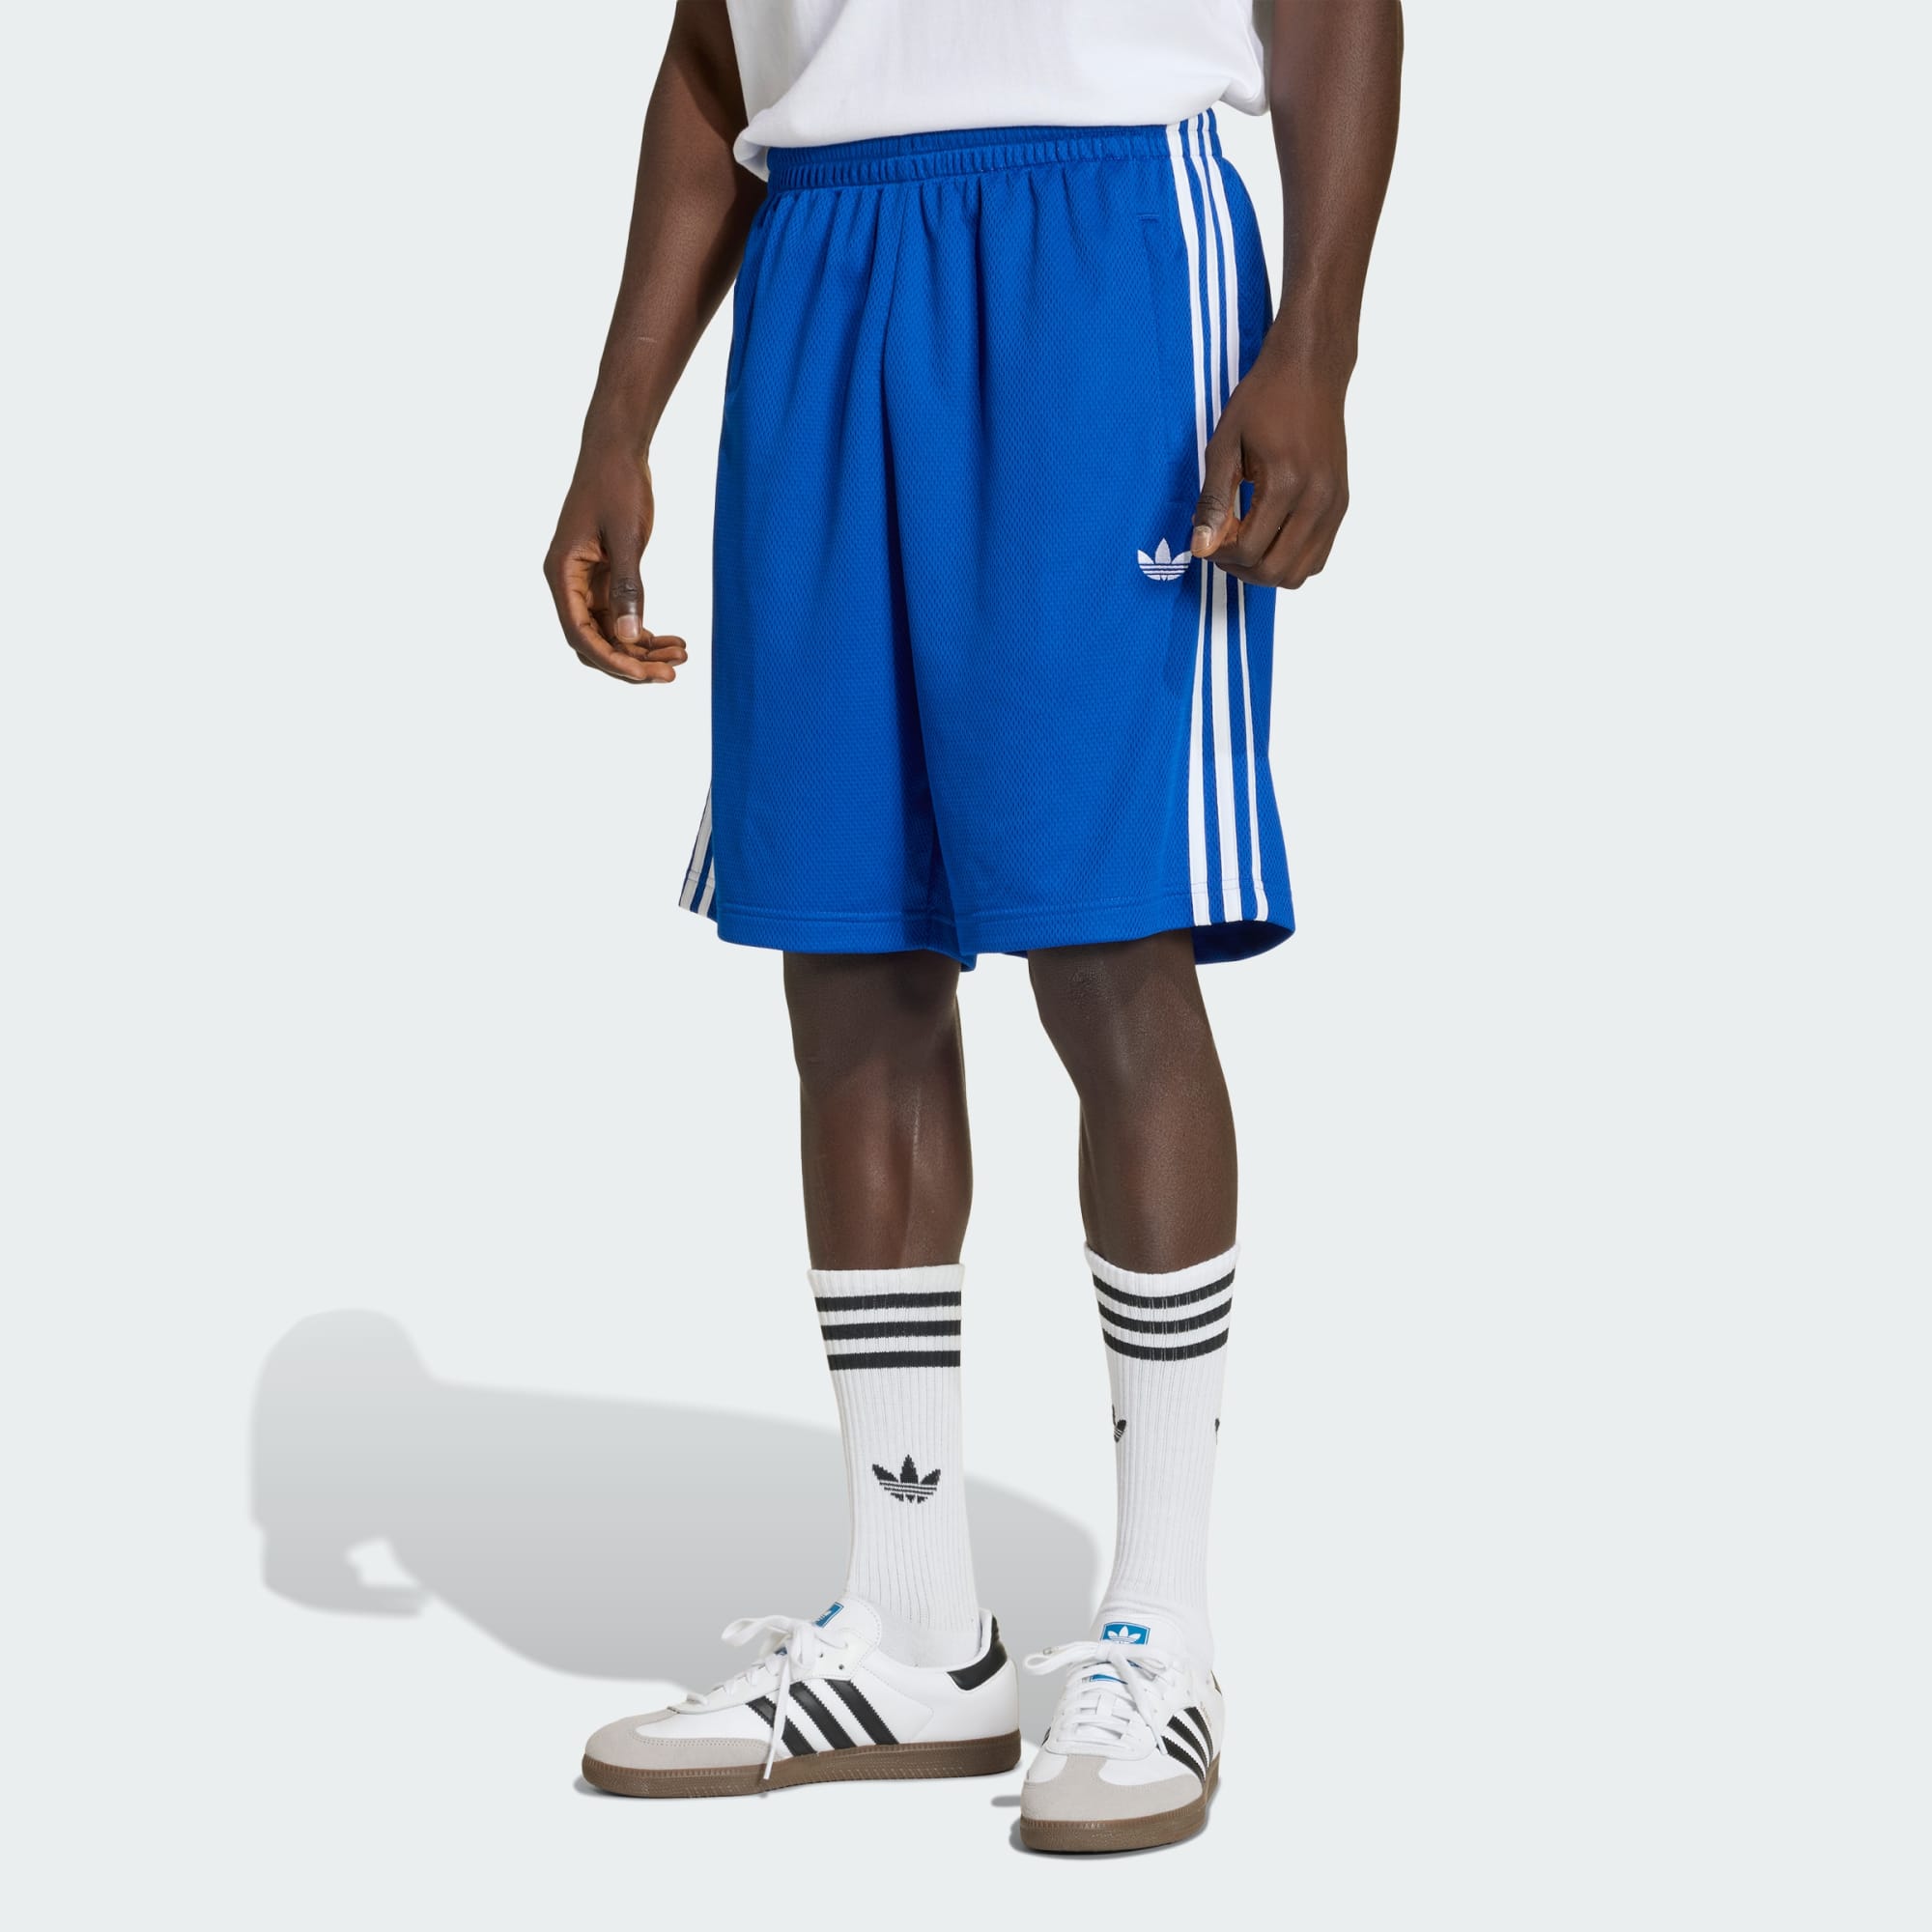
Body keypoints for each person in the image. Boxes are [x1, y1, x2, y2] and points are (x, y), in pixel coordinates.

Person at [547, 0, 1400, 1854]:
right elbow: (712, 55)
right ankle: (916, 1624)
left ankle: (1160, 1629)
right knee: (848, 955)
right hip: (819, 261)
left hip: (1103, 248)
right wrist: (619, 420)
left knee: (1110, 949)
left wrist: (1316, 343)